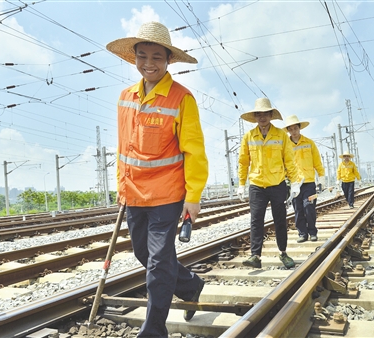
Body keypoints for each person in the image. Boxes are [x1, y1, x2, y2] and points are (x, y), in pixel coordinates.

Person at [106, 21, 208, 337]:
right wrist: (122, 187)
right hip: (134, 193)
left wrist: (193, 196)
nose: (149, 64)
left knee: (158, 264)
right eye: (143, 56)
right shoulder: (126, 97)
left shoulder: (181, 99)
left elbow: (194, 151)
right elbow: (124, 149)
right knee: (144, 254)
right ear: (133, 58)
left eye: (157, 57)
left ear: (168, 60)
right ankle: (191, 286)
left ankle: (153, 330)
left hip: (167, 193)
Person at [237, 97, 298, 269]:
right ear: (255, 117)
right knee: (256, 220)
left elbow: (289, 161)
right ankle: (255, 256)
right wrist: (241, 184)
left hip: (277, 183)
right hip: (257, 185)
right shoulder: (249, 136)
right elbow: (243, 162)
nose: (262, 117)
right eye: (258, 114)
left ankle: (283, 253)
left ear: (271, 115)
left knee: (280, 220)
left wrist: (294, 182)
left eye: (265, 114)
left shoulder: (281, 136)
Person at [284, 115, 325, 243]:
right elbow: (283, 163)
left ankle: (312, 232)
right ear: (288, 131)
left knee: (309, 206)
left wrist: (321, 177)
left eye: (295, 128)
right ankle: (302, 233)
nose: (293, 131)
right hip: (295, 183)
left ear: (299, 128)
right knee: (298, 209)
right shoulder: (285, 146)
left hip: (309, 183)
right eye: (290, 129)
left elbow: (317, 161)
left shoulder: (309, 143)